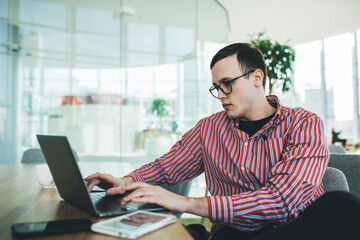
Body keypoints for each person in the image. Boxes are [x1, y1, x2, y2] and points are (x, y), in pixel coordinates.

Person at [86, 43, 359, 239]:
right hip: (234, 233)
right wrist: (126, 180)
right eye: (217, 86)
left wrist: (190, 204)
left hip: (294, 230)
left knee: (342, 205)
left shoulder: (303, 123)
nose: (221, 95)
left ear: (257, 78)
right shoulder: (209, 128)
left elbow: (283, 201)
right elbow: (166, 168)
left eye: (227, 83)